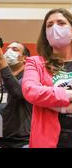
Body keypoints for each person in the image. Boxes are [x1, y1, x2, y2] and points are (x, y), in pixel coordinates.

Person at [22, 8, 72, 148]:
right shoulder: (35, 62)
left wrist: (50, 99)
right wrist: (67, 99)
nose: (54, 28)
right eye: (49, 25)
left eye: (61, 23)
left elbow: (39, 93)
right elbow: (30, 91)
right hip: (49, 140)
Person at [0, 40, 32, 148]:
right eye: (7, 49)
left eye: (15, 49)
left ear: (24, 58)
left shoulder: (29, 77)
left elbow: (17, 92)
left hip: (21, 143)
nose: (9, 52)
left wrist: (1, 61)